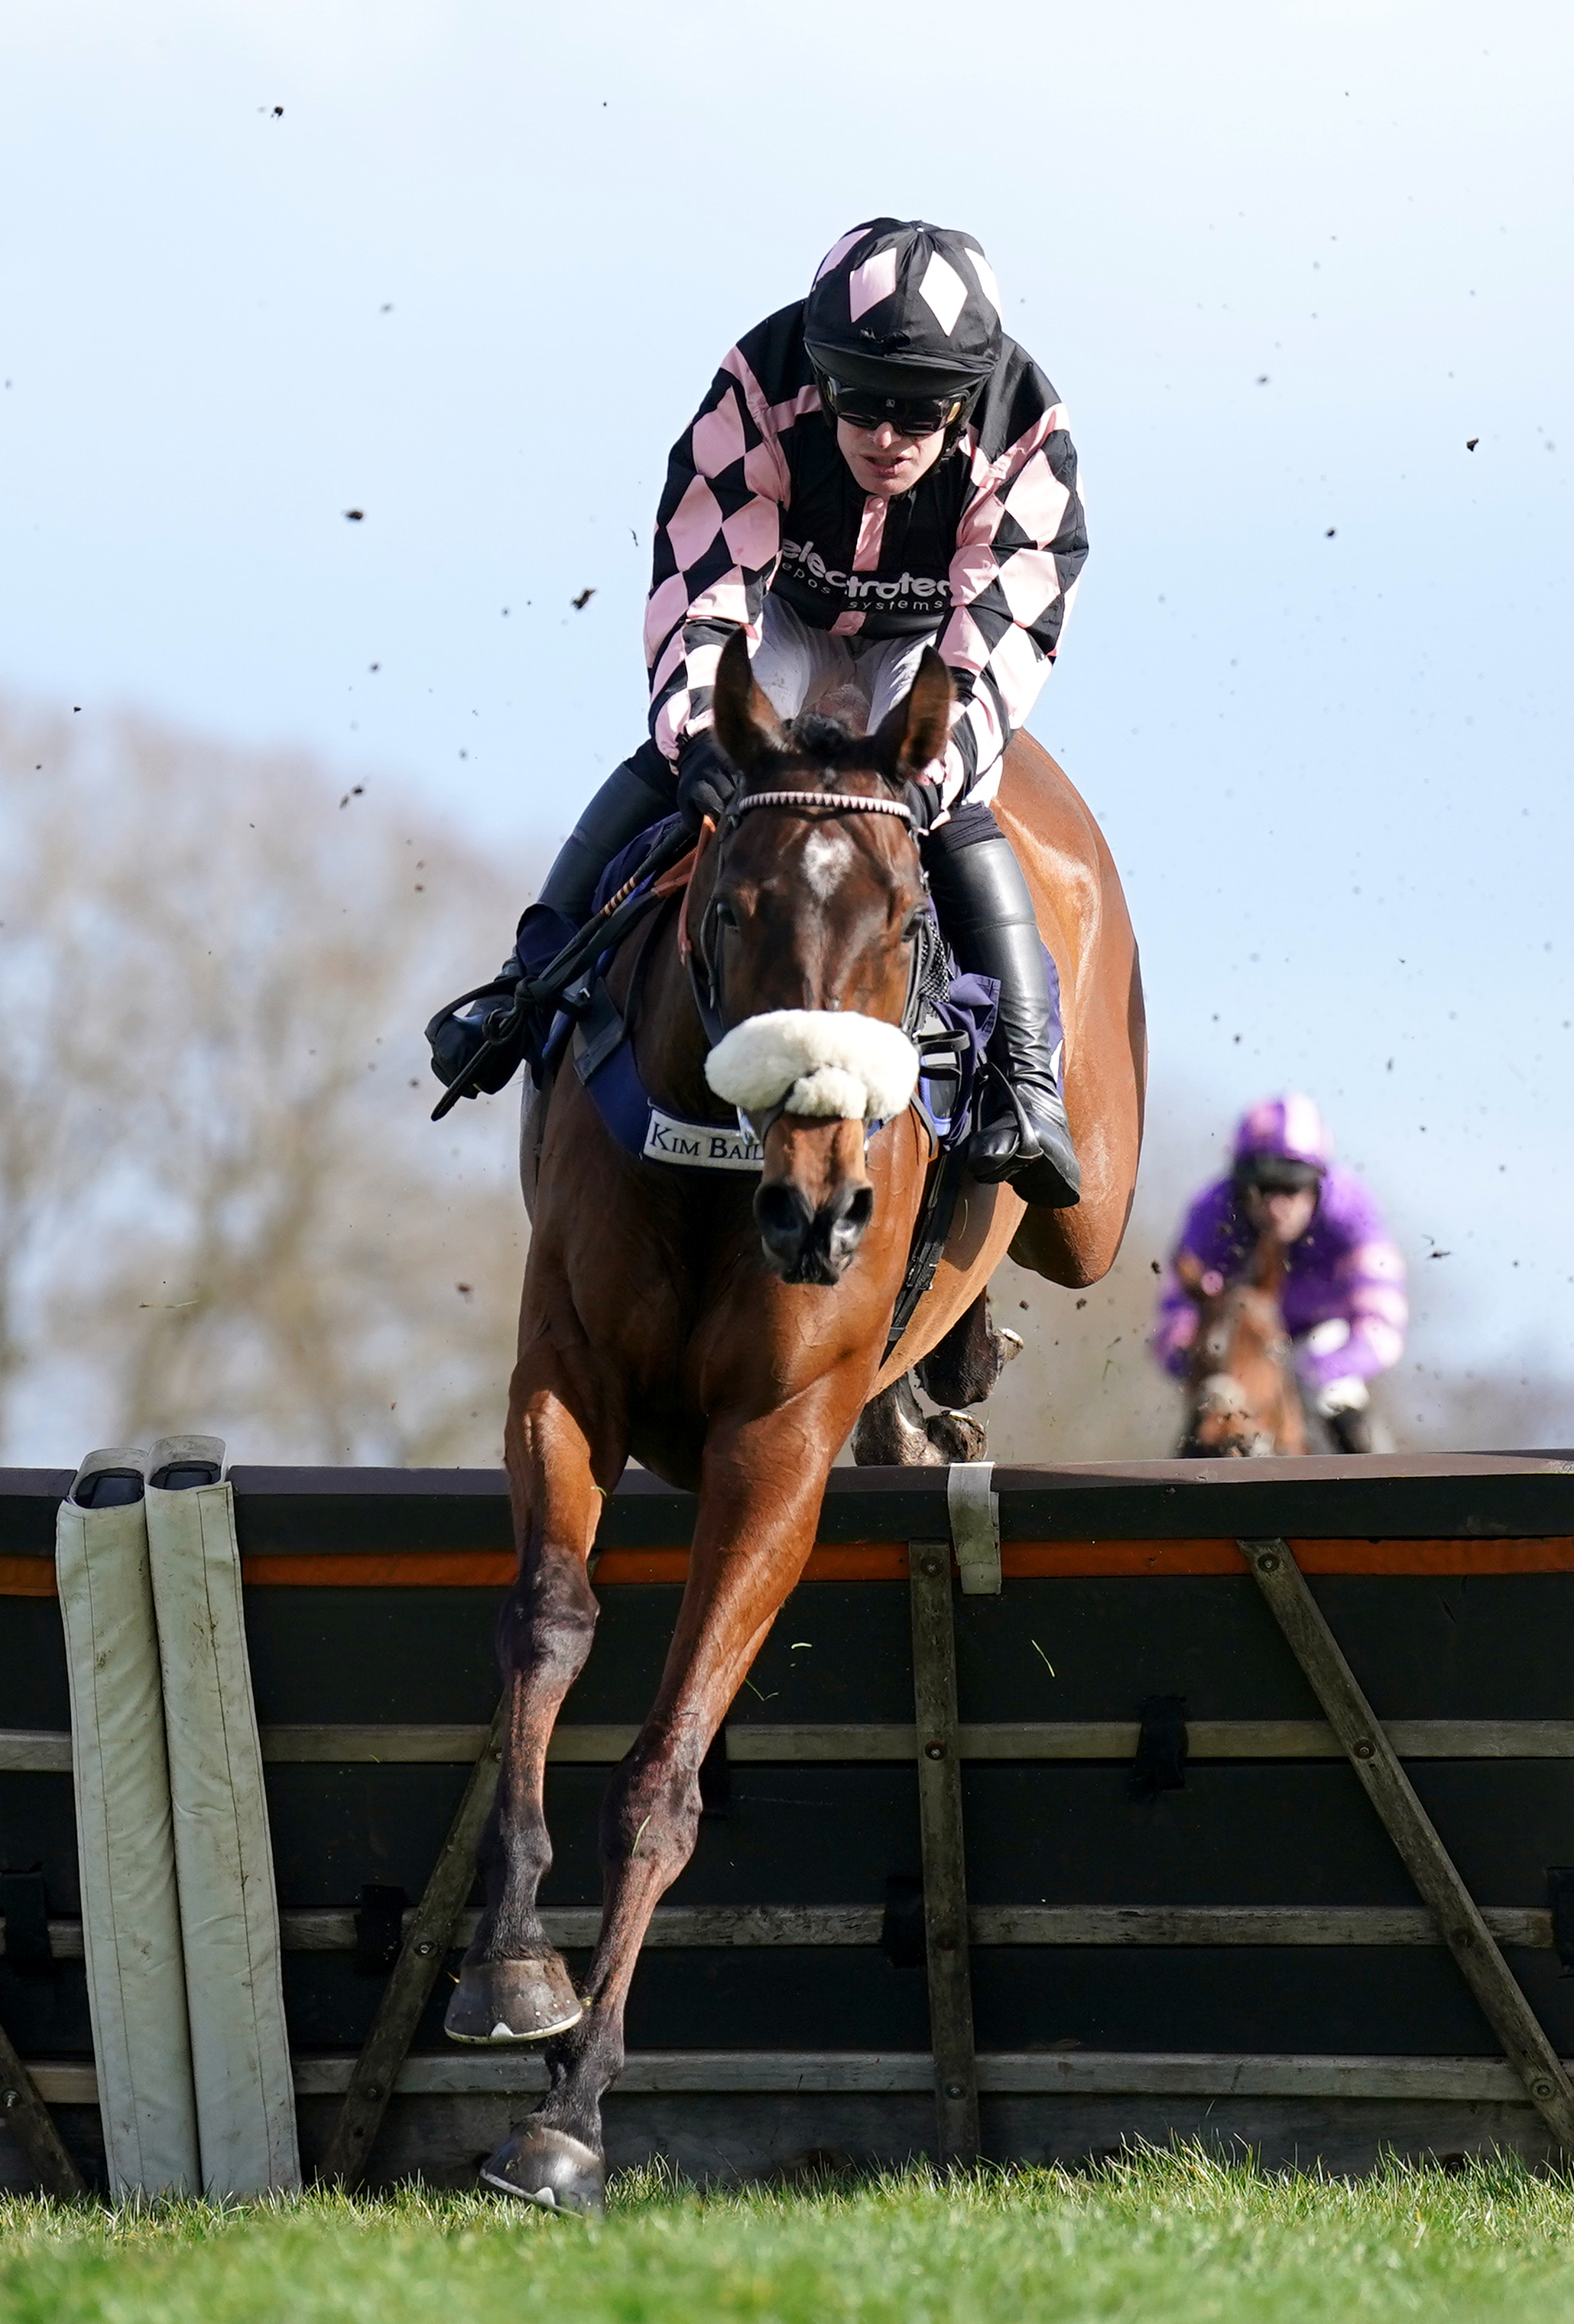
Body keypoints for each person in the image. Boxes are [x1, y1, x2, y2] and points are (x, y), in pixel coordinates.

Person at [427, 217, 1090, 1207]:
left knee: (950, 802)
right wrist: (698, 732)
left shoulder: (1023, 428)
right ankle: (523, 991)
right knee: (694, 764)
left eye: (917, 415)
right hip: (783, 609)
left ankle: (1023, 1076)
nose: (882, 439)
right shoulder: (758, 380)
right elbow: (705, 579)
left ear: (966, 398)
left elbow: (998, 630)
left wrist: (930, 769)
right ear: (818, 370)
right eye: (860, 404)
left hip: (932, 636)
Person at [1150, 1095, 1409, 1452]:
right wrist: (1197, 1362)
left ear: (1317, 1183)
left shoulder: (1352, 1211)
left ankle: (1385, 1493)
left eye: (1291, 1187)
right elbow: (1172, 1319)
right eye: (1262, 1187)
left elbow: (1383, 1328)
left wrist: (1314, 1369)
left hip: (1320, 1342)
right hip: (1240, 1344)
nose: (1276, 1206)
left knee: (1337, 1392)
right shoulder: (1211, 1210)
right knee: (1208, 1410)